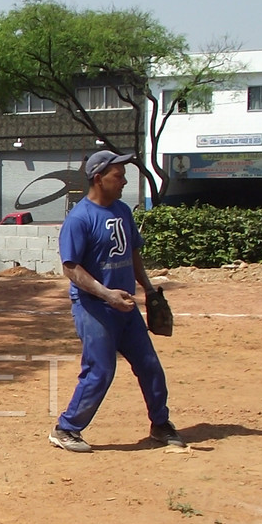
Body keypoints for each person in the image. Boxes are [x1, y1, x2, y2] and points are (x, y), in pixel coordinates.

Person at [49, 150, 185, 453]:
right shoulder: (80, 218)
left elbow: (132, 253)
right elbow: (70, 268)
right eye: (118, 175)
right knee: (100, 369)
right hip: (94, 308)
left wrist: (148, 289)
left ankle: (160, 424)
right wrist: (106, 294)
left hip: (125, 307)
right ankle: (66, 428)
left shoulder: (122, 210)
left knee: (150, 365)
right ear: (99, 178)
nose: (124, 180)